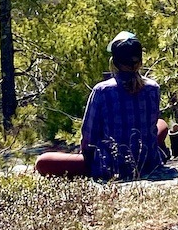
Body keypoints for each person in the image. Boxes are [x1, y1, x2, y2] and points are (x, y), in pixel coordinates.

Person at [35, 32, 169, 180]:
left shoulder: (102, 90)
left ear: (114, 62)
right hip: (148, 162)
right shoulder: (153, 88)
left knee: (43, 161)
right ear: (140, 61)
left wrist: (85, 156)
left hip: (110, 166)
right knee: (161, 124)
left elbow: (88, 137)